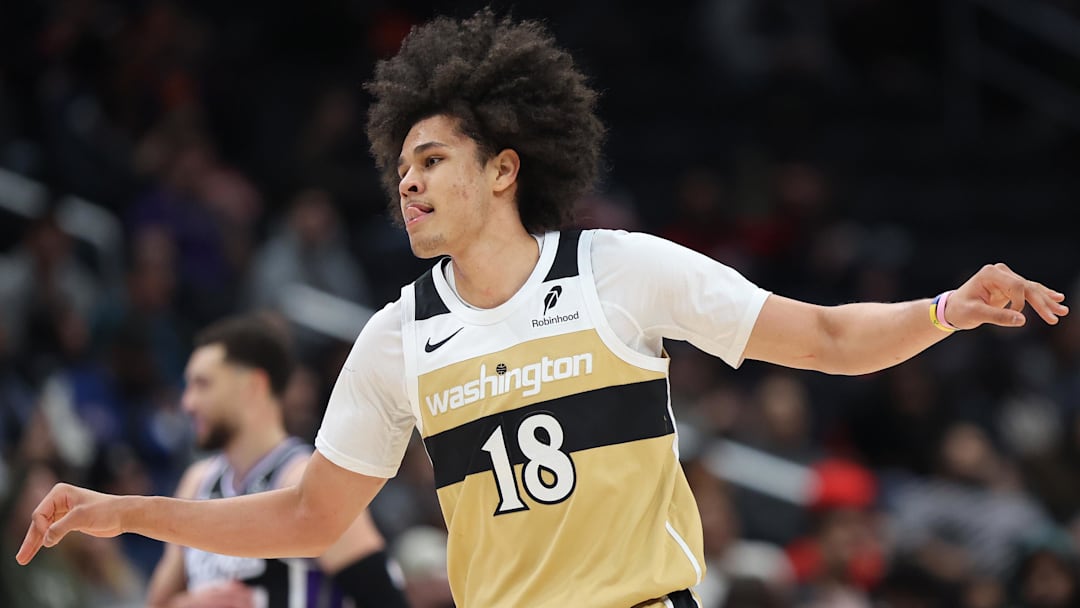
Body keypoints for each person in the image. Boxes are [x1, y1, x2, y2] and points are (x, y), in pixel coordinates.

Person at [16, 9, 1070, 608]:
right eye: (402, 167)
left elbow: (829, 336)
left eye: (433, 159)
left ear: (505, 168)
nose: (410, 184)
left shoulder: (622, 271)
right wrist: (123, 511)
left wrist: (944, 305)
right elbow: (308, 516)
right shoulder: (397, 335)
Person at [143, 315, 407, 607]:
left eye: (203, 385)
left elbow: (385, 598)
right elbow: (157, 602)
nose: (188, 403)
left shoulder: (303, 479)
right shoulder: (197, 482)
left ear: (254, 387)